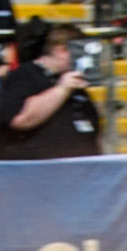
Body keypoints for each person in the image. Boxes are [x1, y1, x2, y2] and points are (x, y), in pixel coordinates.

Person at [0, 23, 101, 160]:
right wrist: (62, 89)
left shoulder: (75, 84)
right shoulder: (26, 74)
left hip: (79, 166)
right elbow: (19, 119)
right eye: (79, 53)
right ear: (61, 51)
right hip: (38, 166)